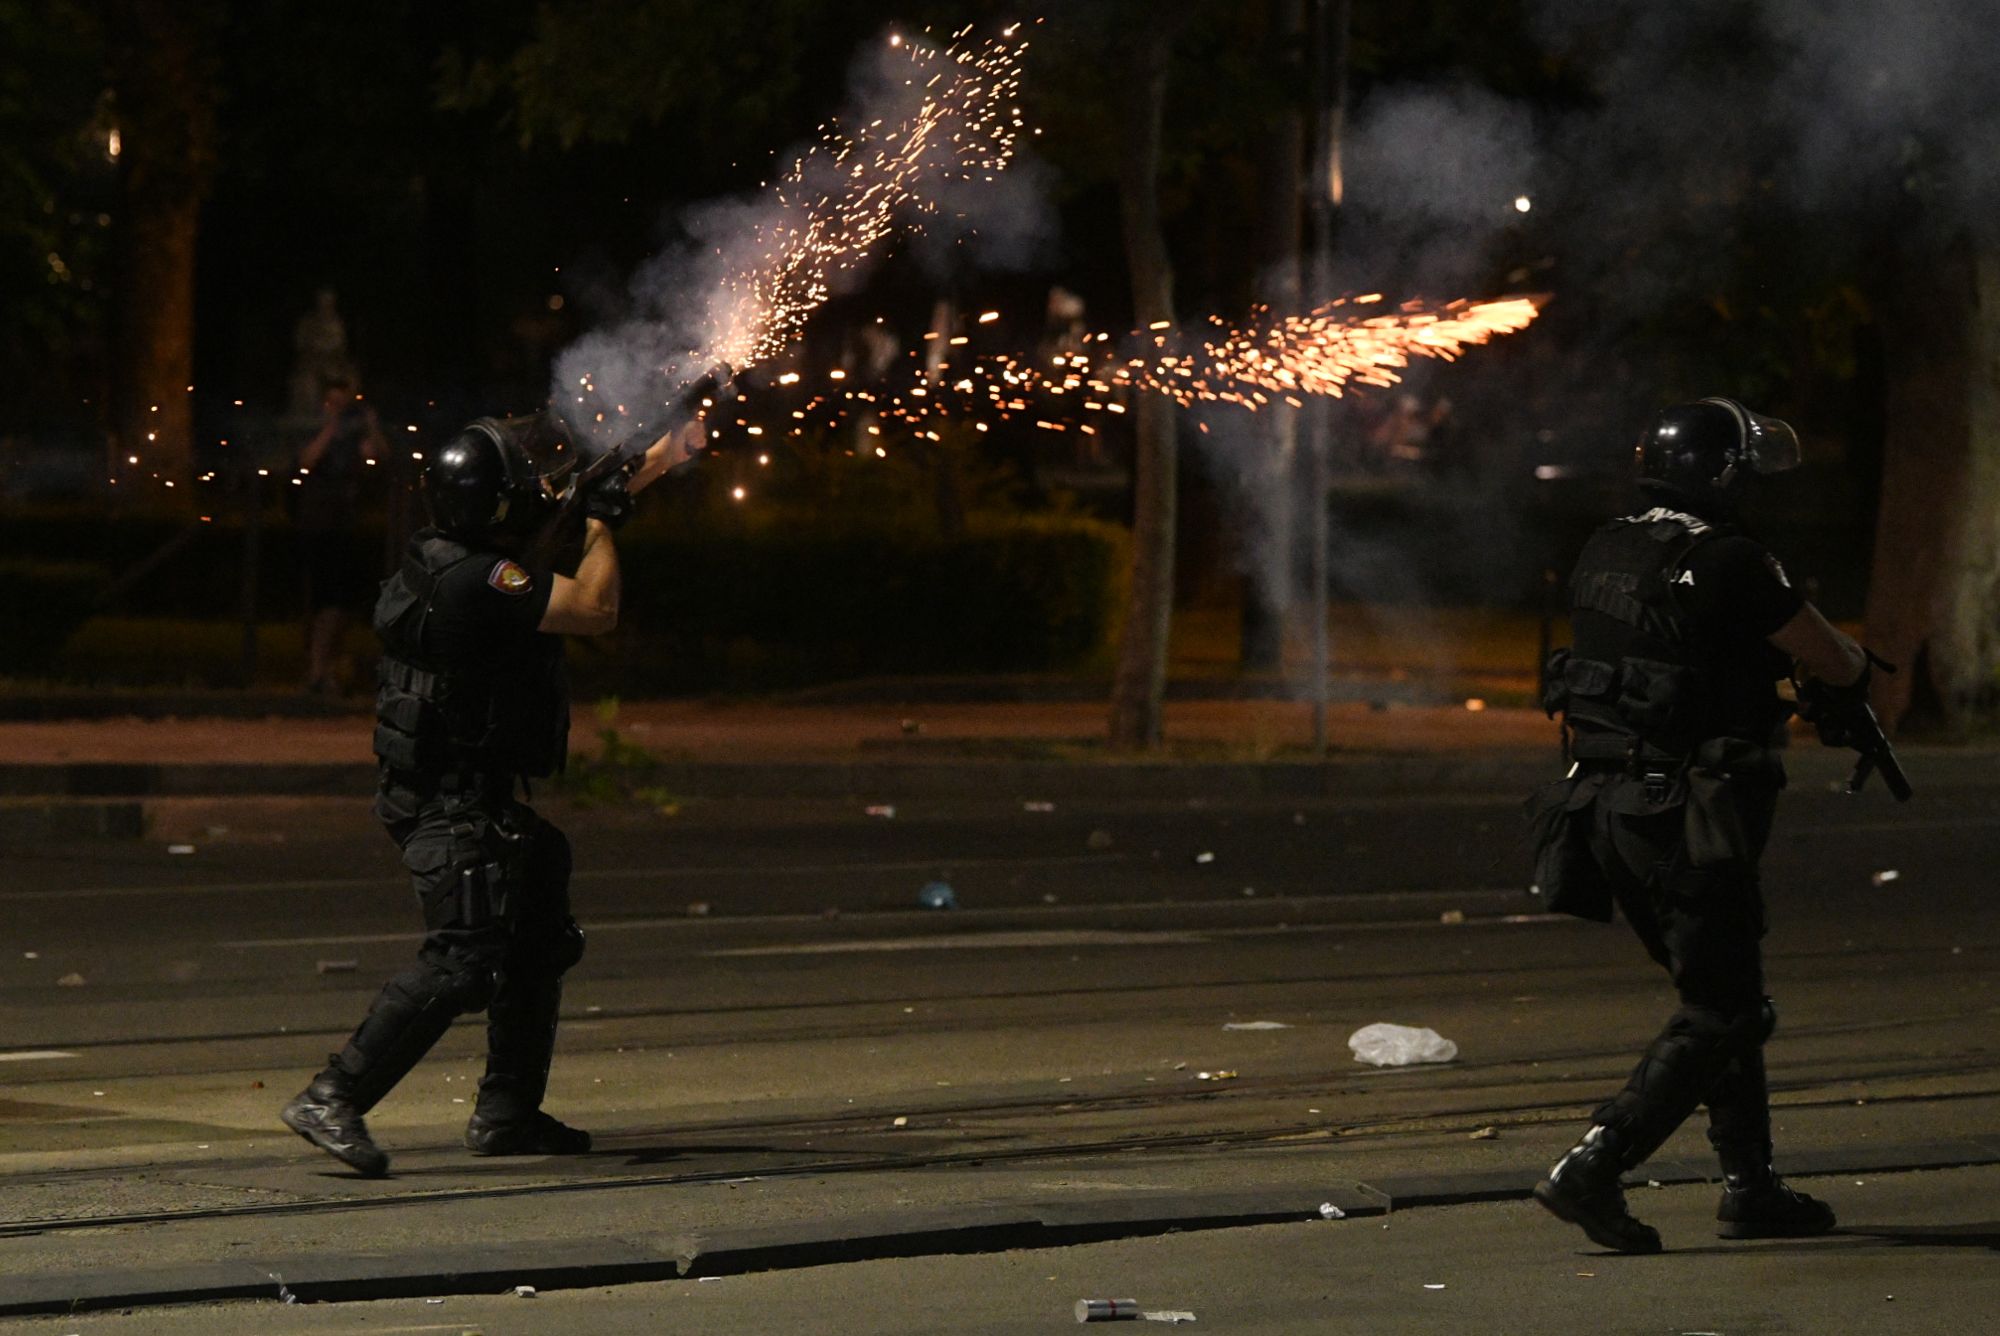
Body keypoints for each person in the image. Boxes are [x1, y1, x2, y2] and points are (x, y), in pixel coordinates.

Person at [279, 410, 697, 1176]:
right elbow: (594, 609)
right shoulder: (480, 580)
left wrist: (654, 462)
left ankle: (508, 1112)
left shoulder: (448, 556)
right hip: (444, 800)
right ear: (496, 504)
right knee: (463, 958)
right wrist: (605, 527)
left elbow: (563, 510)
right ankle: (332, 1095)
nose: (541, 490)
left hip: (467, 791)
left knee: (538, 933)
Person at [1528, 397, 1869, 1253]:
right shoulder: (1728, 559)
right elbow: (1835, 657)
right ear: (1721, 475)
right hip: (1684, 815)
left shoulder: (1610, 543)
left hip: (1604, 808)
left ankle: (1750, 1187)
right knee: (1725, 1011)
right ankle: (1596, 1163)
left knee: (1722, 993)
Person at [297, 380, 386, 693]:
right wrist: (330, 428)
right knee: (325, 601)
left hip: (345, 523)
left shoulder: (353, 436)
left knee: (341, 604)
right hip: (318, 525)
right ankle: (318, 669)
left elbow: (377, 454)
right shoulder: (312, 429)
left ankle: (326, 668)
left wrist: (371, 425)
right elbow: (307, 460)